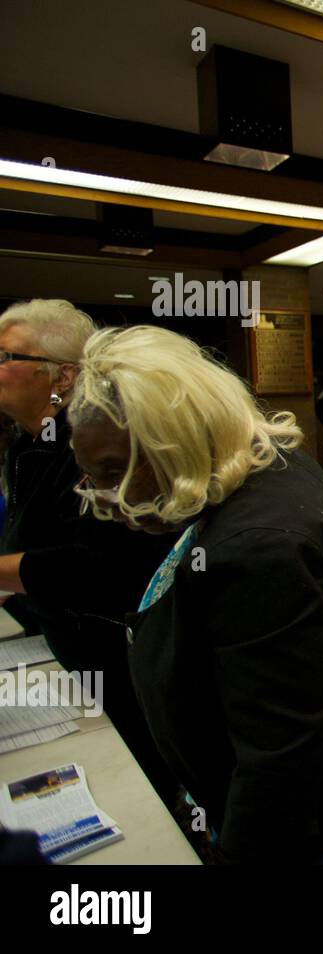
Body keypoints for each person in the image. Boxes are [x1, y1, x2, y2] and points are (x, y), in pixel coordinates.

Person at [67, 326, 323, 864]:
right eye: (92, 474)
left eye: (115, 472)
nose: (102, 496)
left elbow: (280, 757)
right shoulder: (262, 461)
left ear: (177, 441)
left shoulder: (255, 549)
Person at [0, 299, 179, 801]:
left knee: (136, 786)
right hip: (55, 639)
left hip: (113, 653)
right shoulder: (27, 444)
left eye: (7, 356)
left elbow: (100, 567)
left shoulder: (96, 446)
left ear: (62, 375)